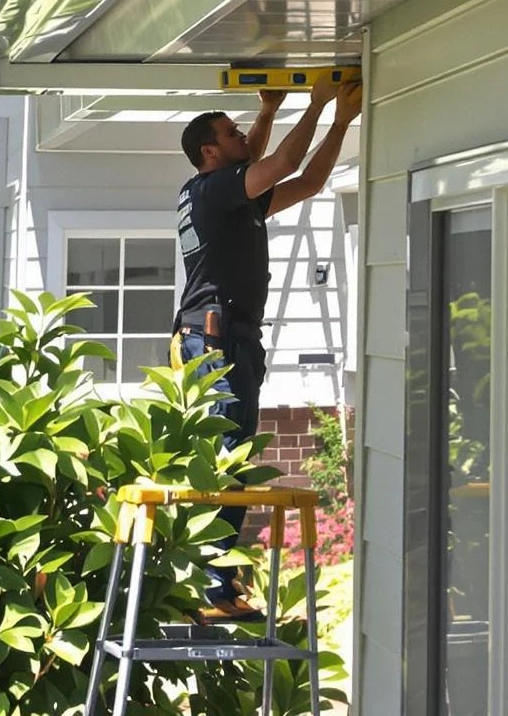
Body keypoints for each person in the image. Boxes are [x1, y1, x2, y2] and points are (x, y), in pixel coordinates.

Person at [173, 75, 361, 620]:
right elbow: (276, 165)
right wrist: (318, 103)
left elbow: (310, 181)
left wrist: (339, 121)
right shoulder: (212, 191)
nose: (243, 138)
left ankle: (218, 581)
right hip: (217, 343)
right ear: (210, 152)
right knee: (225, 460)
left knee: (230, 457)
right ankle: (213, 588)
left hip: (223, 341)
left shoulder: (223, 197)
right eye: (232, 134)